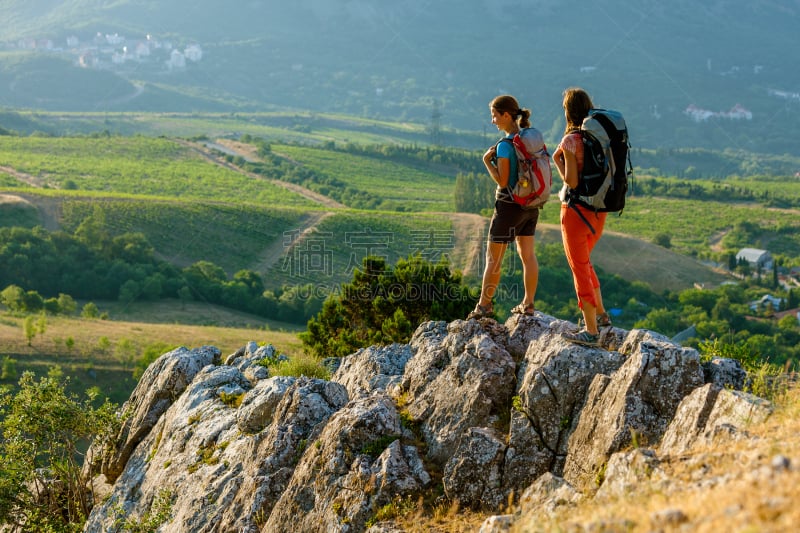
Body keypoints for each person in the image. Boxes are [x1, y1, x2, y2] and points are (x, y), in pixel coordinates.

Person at [467, 95, 539, 320]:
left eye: (495, 116)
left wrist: (487, 161)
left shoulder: (505, 146)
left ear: (506, 115)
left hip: (509, 206)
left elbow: (503, 180)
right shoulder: (528, 138)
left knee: (493, 259)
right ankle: (528, 304)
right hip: (531, 204)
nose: (493, 121)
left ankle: (484, 307)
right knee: (528, 256)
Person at [552, 87, 612, 346]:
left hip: (576, 213)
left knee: (578, 268)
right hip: (599, 211)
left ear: (569, 110)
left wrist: (559, 162)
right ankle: (601, 315)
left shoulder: (570, 141)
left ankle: (591, 331)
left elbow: (572, 181)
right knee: (586, 262)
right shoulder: (598, 137)